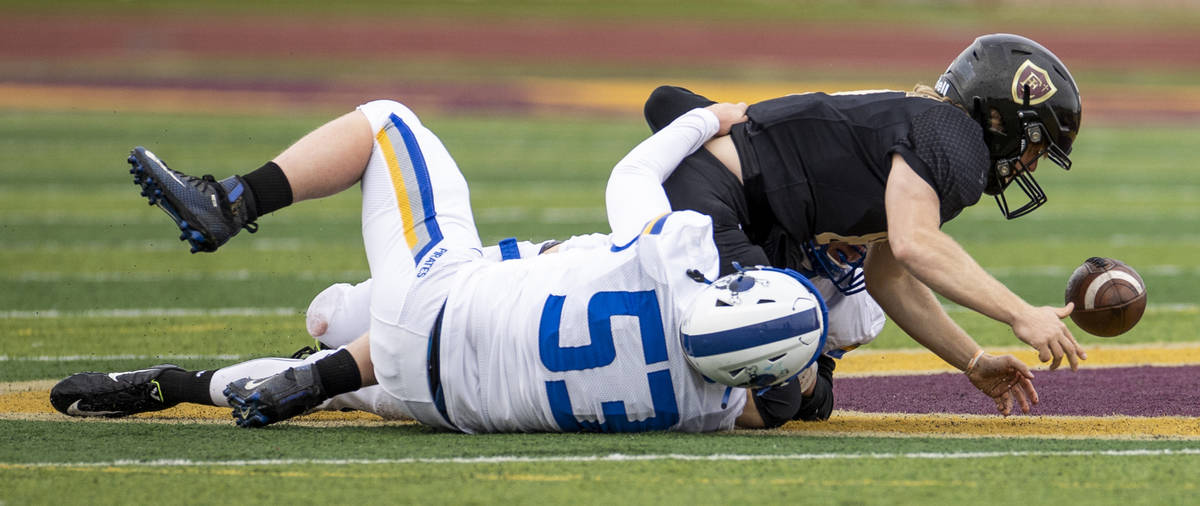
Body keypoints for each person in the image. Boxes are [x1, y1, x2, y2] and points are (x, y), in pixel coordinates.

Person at [51, 98, 1036, 432]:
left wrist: (710, 117)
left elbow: (634, 176)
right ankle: (185, 381)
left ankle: (234, 203)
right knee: (352, 355)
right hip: (454, 392)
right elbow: (776, 391)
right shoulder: (704, 414)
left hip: (443, 309)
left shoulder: (679, 249)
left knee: (390, 124)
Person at [626, 34, 1086, 382]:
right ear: (999, 118)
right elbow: (914, 244)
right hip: (717, 199)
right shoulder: (954, 136)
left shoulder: (932, 130)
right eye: (1035, 146)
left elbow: (891, 278)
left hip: (736, 207)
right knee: (771, 391)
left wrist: (974, 361)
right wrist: (1020, 313)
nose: (1030, 164)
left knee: (801, 395)